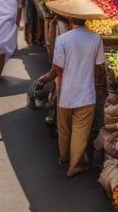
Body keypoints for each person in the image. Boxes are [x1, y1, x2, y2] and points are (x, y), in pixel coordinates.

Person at [35, 14, 105, 178]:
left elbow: (57, 69)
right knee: (80, 131)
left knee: (64, 129)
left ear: (72, 20)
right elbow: (99, 68)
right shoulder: (96, 38)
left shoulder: (63, 39)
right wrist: (95, 84)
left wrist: (44, 80)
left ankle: (65, 159)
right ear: (86, 20)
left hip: (66, 92)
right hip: (86, 94)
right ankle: (75, 165)